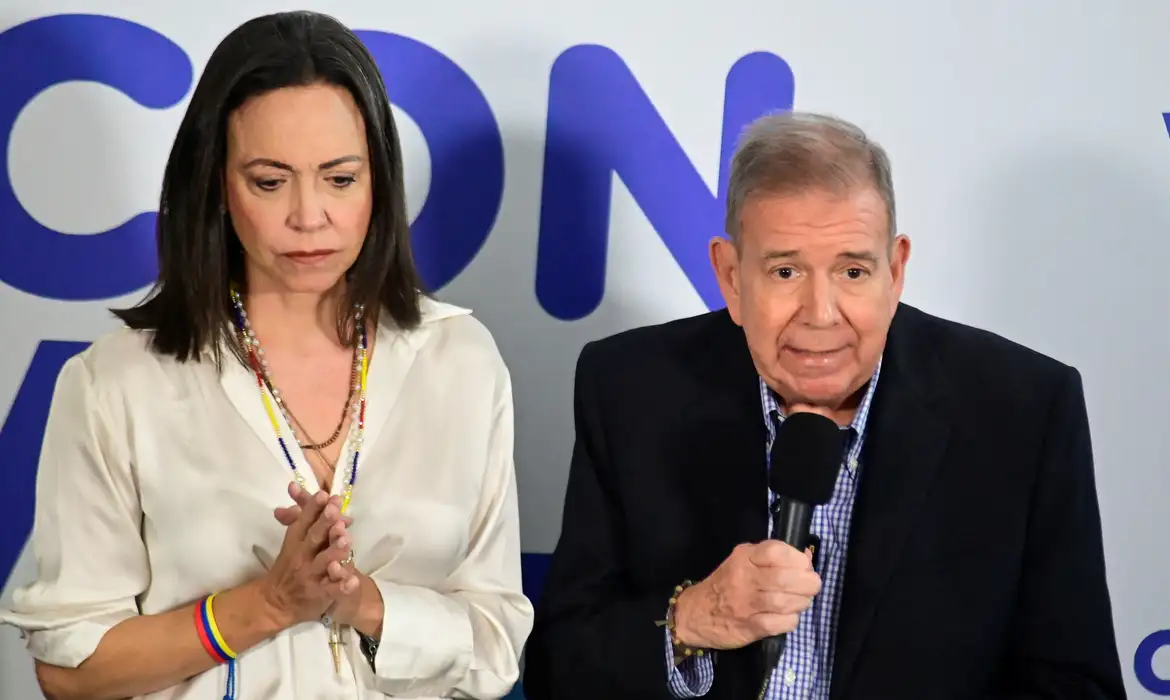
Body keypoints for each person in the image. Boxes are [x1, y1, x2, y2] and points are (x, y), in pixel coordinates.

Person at [0, 11, 532, 700]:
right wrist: (269, 605)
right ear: (217, 185)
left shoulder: (461, 360)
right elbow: (70, 671)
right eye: (270, 181)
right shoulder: (116, 383)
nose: (309, 217)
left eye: (340, 179)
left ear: (379, 182)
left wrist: (364, 602)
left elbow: (497, 643)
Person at [522, 111, 1125, 699]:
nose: (820, 313)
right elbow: (557, 668)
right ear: (731, 278)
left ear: (896, 270)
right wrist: (694, 619)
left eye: (853, 272)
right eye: (785, 271)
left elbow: (1076, 684)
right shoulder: (632, 389)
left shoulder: (1022, 410)